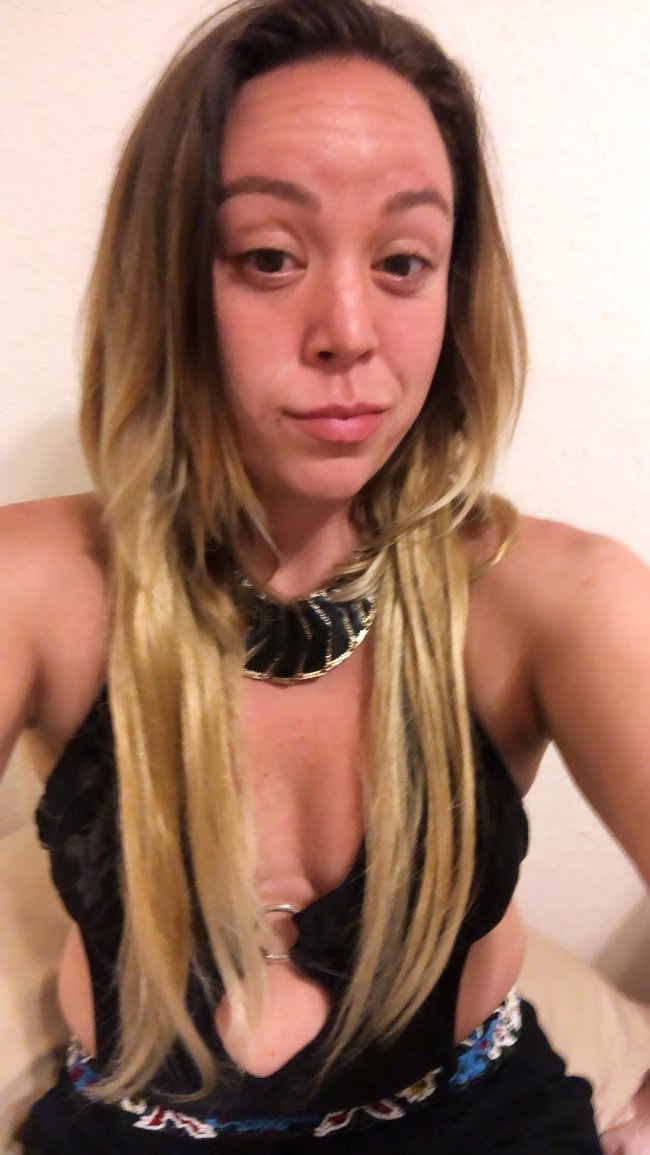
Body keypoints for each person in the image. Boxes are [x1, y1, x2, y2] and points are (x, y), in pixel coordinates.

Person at [3, 0, 649, 1150]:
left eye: (402, 262)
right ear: (164, 282)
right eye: (267, 257)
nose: (347, 329)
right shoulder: (39, 587)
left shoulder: (551, 599)